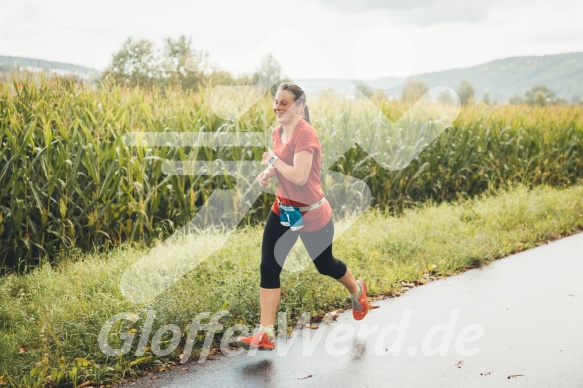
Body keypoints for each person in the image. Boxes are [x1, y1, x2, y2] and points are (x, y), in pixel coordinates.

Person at [236, 82, 369, 350]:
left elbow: (298, 175)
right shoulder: (277, 132)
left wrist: (272, 162)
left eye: (284, 102)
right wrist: (268, 173)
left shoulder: (306, 135)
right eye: (275, 101)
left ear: (299, 106)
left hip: (311, 215)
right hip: (283, 210)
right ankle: (266, 332)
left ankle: (357, 291)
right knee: (269, 266)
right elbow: (282, 161)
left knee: (325, 265)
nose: (277, 106)